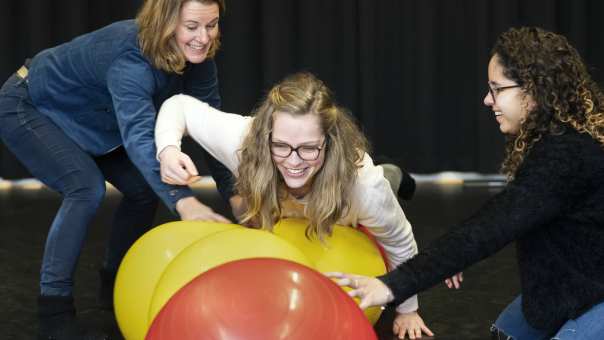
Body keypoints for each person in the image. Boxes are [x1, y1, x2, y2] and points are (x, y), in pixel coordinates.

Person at [328, 27, 604, 340]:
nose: (488, 100)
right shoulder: (552, 140)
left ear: (534, 92)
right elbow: (503, 222)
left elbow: (493, 227)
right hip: (570, 285)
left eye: (497, 89)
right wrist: (451, 257)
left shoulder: (569, 154)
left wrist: (391, 285)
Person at [0, 0, 240, 338]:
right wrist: (184, 202)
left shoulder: (199, 57)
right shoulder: (130, 58)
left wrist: (235, 194)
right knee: (85, 188)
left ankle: (114, 284)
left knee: (142, 191)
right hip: (30, 106)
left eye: (212, 25)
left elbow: (211, 128)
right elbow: (139, 137)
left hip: (93, 119)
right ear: (166, 23)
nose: (204, 37)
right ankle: (53, 311)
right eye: (192, 27)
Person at [155, 72, 434, 339]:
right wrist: (168, 149)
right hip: (287, 214)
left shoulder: (363, 187)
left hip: (347, 216)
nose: (294, 160)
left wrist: (407, 310)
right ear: (267, 137)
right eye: (281, 145)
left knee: (380, 196)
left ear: (330, 142)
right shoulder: (244, 140)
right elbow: (179, 106)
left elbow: (400, 241)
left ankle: (392, 174)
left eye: (309, 148)